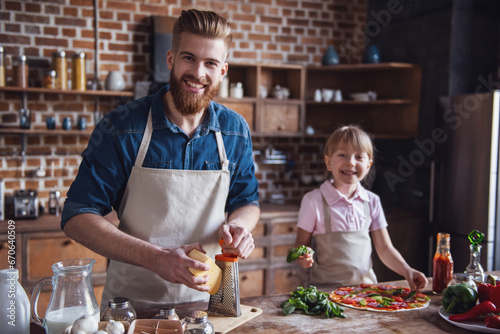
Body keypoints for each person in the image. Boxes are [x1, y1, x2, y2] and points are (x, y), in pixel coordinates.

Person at [61, 9, 260, 309]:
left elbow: (246, 202)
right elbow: (77, 217)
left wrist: (241, 227)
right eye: (189, 58)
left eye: (210, 63)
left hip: (209, 305)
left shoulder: (235, 131)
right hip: (130, 308)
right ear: (171, 59)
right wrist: (156, 258)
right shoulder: (122, 127)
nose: (198, 73)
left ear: (223, 71)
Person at [293, 125, 427, 292]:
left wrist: (408, 270)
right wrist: (303, 257)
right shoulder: (313, 200)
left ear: (369, 165)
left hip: (365, 292)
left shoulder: (372, 201)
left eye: (359, 157)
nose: (350, 162)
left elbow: (385, 249)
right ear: (328, 162)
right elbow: (301, 244)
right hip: (326, 292)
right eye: (342, 155)